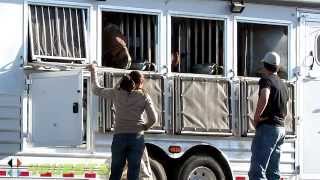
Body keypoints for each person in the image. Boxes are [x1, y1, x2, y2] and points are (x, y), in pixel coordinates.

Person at [88, 64, 157, 180]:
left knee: (116, 171)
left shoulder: (117, 93)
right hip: (136, 137)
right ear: (140, 83)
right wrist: (145, 127)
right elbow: (154, 118)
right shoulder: (144, 96)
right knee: (133, 172)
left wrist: (93, 71)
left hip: (119, 137)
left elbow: (96, 89)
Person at [248, 51, 289, 180]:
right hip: (280, 129)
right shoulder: (283, 85)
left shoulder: (266, 80)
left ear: (265, 65)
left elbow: (265, 96)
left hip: (268, 128)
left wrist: (257, 117)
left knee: (257, 171)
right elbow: (286, 110)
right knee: (273, 172)